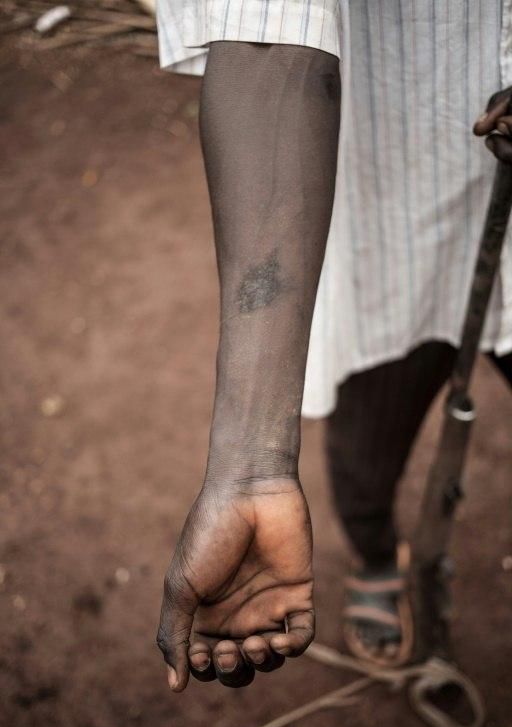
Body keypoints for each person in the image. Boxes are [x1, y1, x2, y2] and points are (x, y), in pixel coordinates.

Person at [155, 1, 512, 691]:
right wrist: (251, 467)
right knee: (367, 443)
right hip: (399, 224)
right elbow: (271, 28)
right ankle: (379, 557)